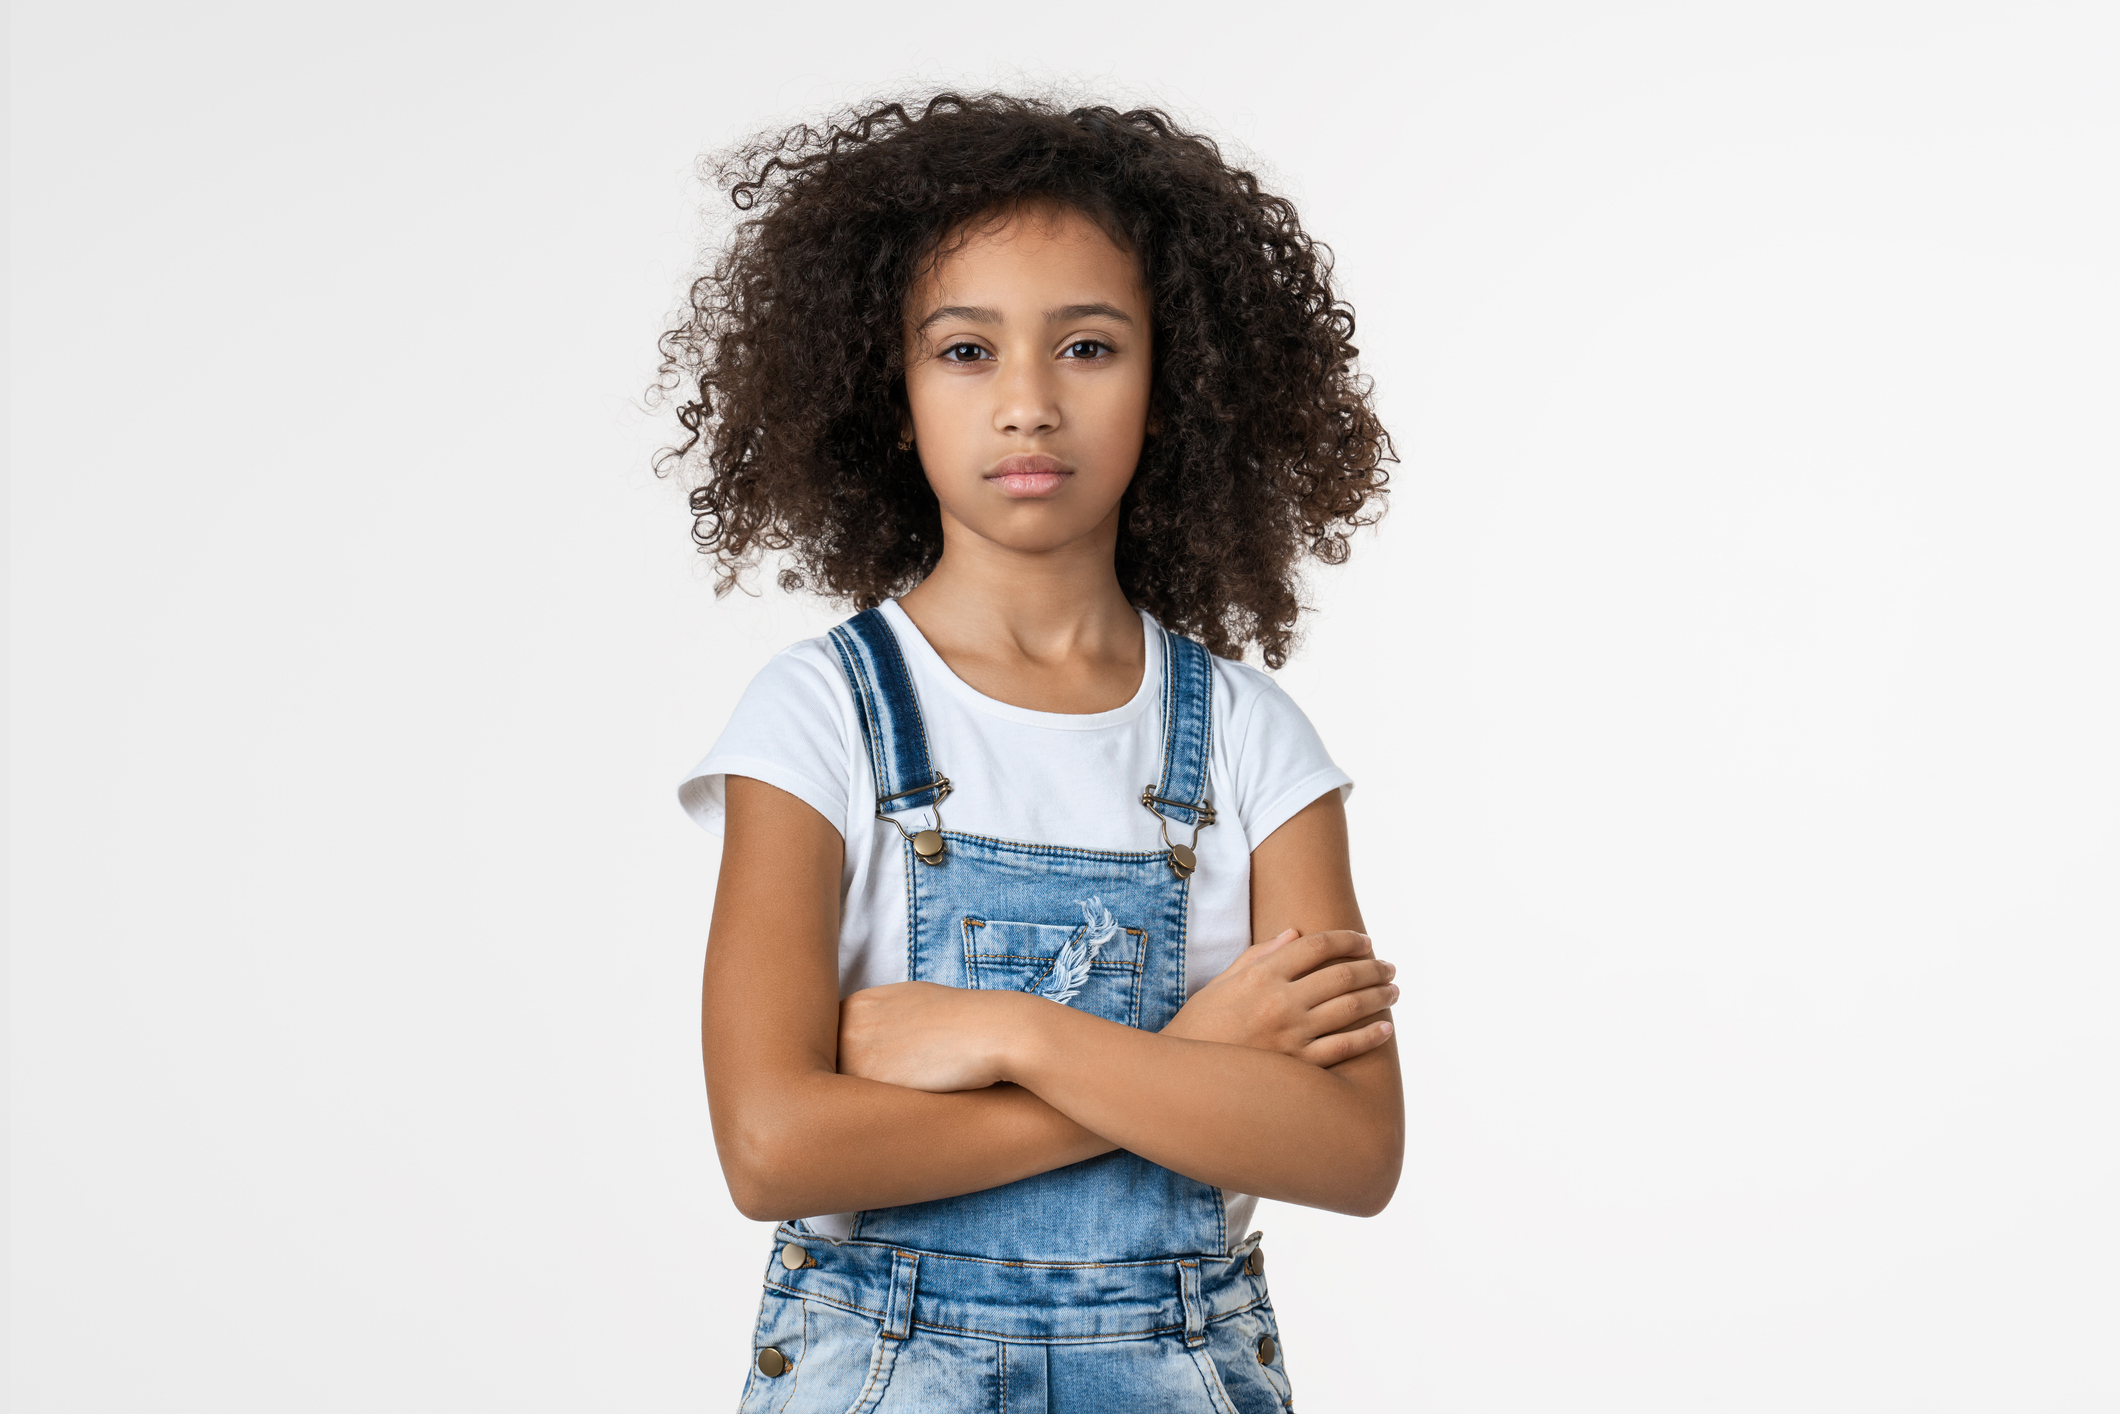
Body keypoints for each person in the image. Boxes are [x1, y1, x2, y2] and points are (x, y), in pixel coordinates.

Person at [661, 93, 1400, 1413]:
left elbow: (1350, 1146)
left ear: (1173, 387)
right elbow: (774, 1148)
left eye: (1088, 347)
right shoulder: (818, 718)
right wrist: (1185, 1061)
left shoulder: (1251, 744)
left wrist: (1001, 1031)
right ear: (886, 393)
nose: (1027, 403)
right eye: (963, 349)